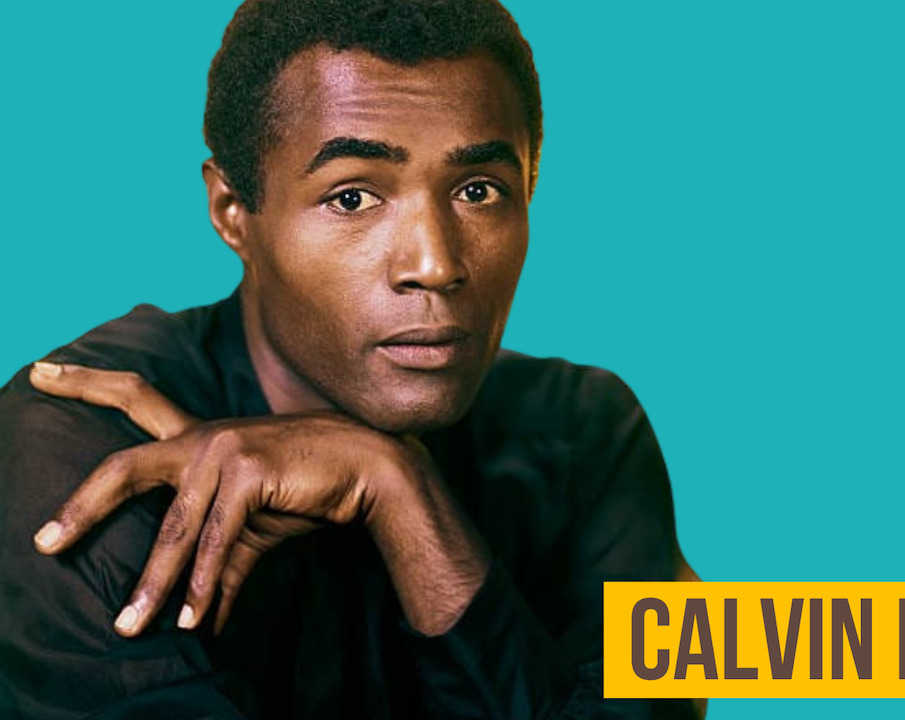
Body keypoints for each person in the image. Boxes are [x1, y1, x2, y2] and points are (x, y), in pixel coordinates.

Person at [0, 0, 701, 717]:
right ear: (231, 210)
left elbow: (708, 682)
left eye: (479, 191)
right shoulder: (79, 441)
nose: (435, 263)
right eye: (353, 196)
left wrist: (398, 488)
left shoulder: (587, 428)